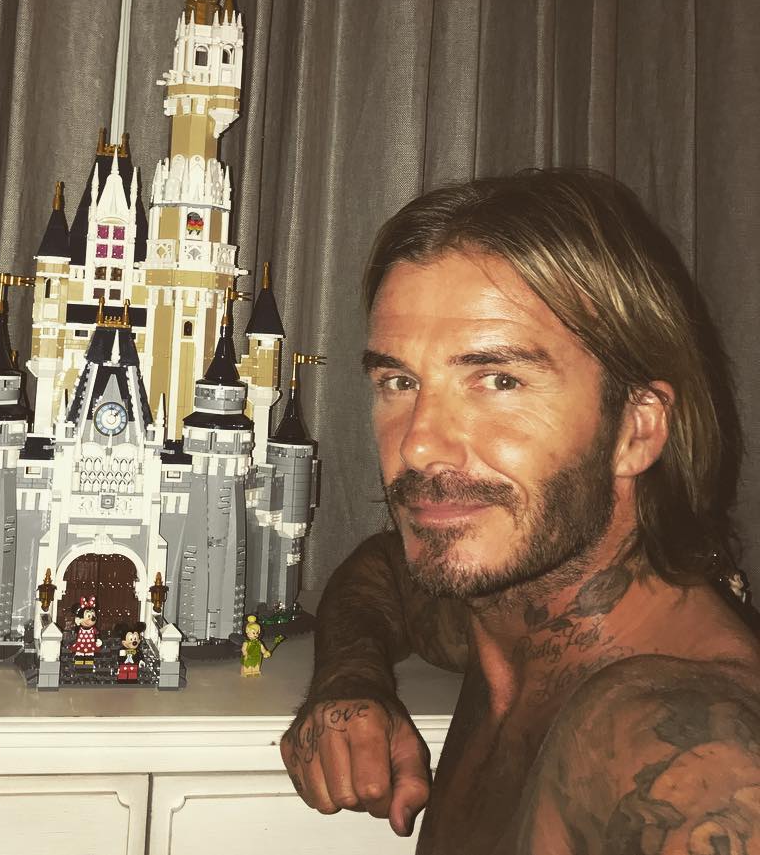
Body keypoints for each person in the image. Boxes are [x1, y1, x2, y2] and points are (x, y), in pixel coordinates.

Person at [280, 170, 760, 854]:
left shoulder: (680, 756)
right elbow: (383, 575)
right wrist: (350, 682)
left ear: (636, 429)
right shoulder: (511, 624)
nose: (417, 443)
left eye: (499, 380)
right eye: (399, 381)